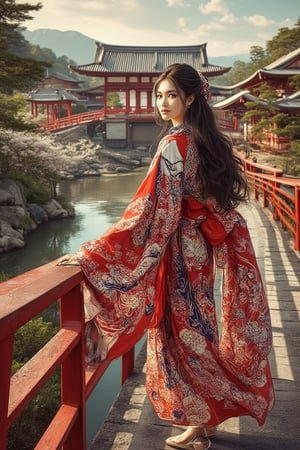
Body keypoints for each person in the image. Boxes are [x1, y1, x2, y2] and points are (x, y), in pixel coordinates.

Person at [57, 63, 274, 450]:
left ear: (190, 98)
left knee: (179, 332)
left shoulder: (174, 144)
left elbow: (150, 208)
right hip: (199, 248)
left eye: (170, 95)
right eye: (159, 95)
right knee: (198, 327)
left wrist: (94, 253)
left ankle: (197, 426)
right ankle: (204, 421)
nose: (161, 102)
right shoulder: (205, 140)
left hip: (177, 250)